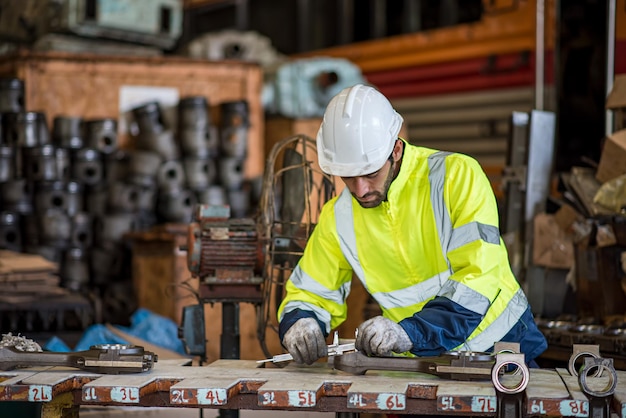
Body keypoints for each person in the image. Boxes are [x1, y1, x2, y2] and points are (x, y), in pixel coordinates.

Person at [277, 83, 547, 366]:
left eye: (370, 173)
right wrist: (301, 322)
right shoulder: (339, 217)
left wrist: (409, 333)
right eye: (347, 176)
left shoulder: (456, 177)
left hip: (503, 350)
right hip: (419, 363)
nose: (359, 189)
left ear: (395, 149)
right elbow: (310, 291)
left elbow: (478, 280)